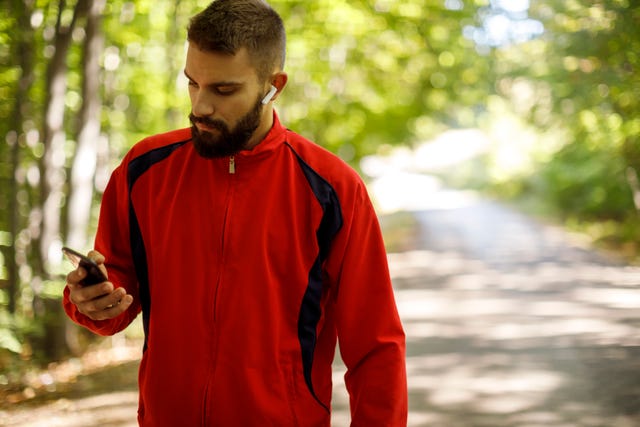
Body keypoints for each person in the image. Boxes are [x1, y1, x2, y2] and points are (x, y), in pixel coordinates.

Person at [63, 0, 407, 425]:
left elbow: (376, 346)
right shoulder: (144, 169)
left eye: (223, 90)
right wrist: (91, 301)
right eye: (193, 83)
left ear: (272, 85)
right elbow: (115, 296)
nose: (200, 106)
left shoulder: (332, 188)